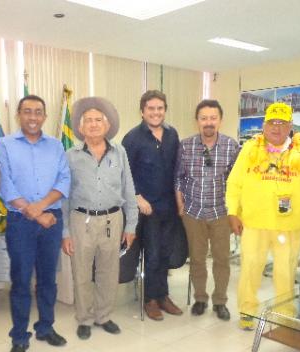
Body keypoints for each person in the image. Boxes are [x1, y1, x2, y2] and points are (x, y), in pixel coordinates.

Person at [226, 103, 300, 330]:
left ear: (290, 126)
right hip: (254, 221)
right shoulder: (250, 150)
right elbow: (234, 183)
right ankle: (247, 312)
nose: (276, 128)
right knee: (250, 268)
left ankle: (285, 314)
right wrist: (233, 212)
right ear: (264, 126)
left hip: (288, 223)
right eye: (272, 123)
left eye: (282, 123)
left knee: (285, 271)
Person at [0, 95, 70, 352]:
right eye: (27, 112)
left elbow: (64, 180)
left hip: (51, 220)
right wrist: (34, 212)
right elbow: (5, 185)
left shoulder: (56, 146)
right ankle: (19, 337)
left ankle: (45, 327)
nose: (33, 117)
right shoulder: (5, 144)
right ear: (19, 114)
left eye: (38, 112)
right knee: (21, 281)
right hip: (21, 222)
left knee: (48, 279)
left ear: (45, 116)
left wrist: (42, 207)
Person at [62, 97, 138, 339]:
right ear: (81, 127)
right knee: (81, 272)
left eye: (98, 120)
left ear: (106, 126)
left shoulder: (120, 152)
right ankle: (84, 318)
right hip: (80, 220)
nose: (93, 125)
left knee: (108, 270)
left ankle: (104, 316)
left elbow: (129, 189)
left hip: (112, 220)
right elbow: (63, 196)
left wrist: (132, 225)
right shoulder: (70, 155)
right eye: (88, 121)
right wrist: (64, 232)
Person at [175, 99, 240, 320]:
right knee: (197, 259)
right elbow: (179, 178)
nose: (208, 122)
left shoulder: (232, 146)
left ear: (220, 120)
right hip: (193, 213)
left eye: (213, 118)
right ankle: (200, 298)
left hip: (221, 213)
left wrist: (235, 211)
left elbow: (237, 182)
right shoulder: (185, 146)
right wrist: (180, 205)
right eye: (204, 118)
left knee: (222, 259)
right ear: (197, 121)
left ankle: (220, 301)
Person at [123, 90, 183, 321]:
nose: (156, 112)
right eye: (151, 108)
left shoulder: (172, 134)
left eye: (160, 108)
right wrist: (137, 197)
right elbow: (124, 173)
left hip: (169, 206)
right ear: (142, 111)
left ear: (164, 110)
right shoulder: (132, 138)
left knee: (166, 254)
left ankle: (163, 296)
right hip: (147, 209)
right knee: (153, 254)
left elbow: (177, 169)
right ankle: (150, 299)